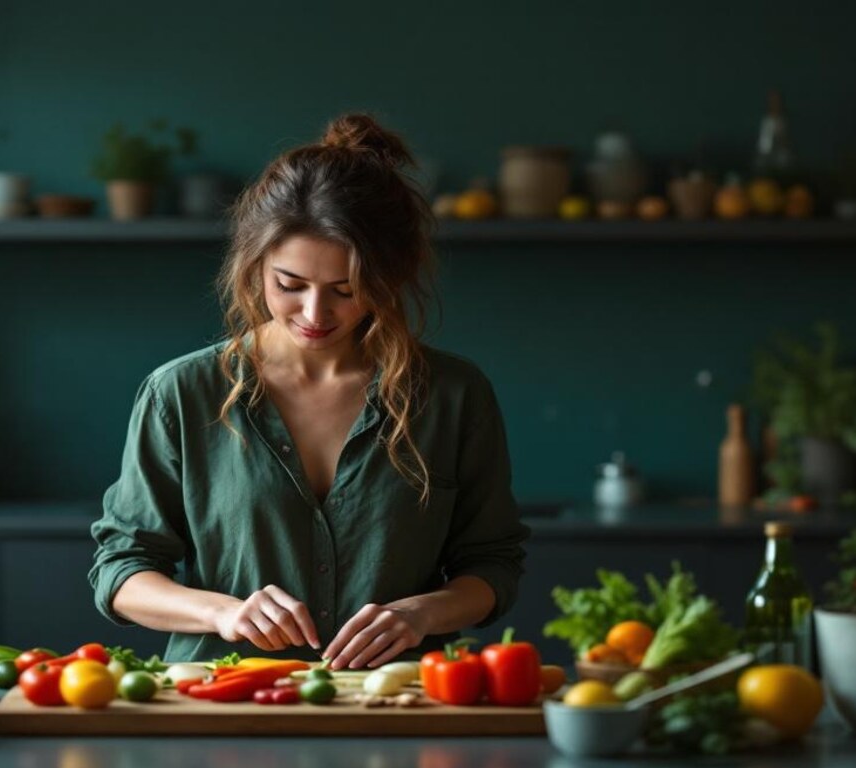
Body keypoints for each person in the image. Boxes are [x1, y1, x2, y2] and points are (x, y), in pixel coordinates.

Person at [89, 112, 529, 670]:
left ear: (388, 280)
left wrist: (424, 613)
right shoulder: (180, 392)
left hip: (400, 704)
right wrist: (222, 613)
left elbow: (492, 563)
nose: (316, 314)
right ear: (256, 266)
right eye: (289, 285)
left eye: (347, 290)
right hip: (224, 705)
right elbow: (121, 570)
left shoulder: (452, 395)